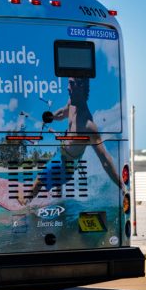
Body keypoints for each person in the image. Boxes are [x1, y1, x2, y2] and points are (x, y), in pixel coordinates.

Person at [17, 76, 123, 205]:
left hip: (67, 165)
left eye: (71, 84)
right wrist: (51, 117)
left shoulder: (88, 125)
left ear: (81, 86)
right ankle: (60, 206)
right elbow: (62, 112)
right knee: (56, 183)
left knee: (40, 180)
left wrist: (122, 186)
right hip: (61, 155)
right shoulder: (72, 103)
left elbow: (105, 159)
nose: (67, 87)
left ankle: (24, 202)